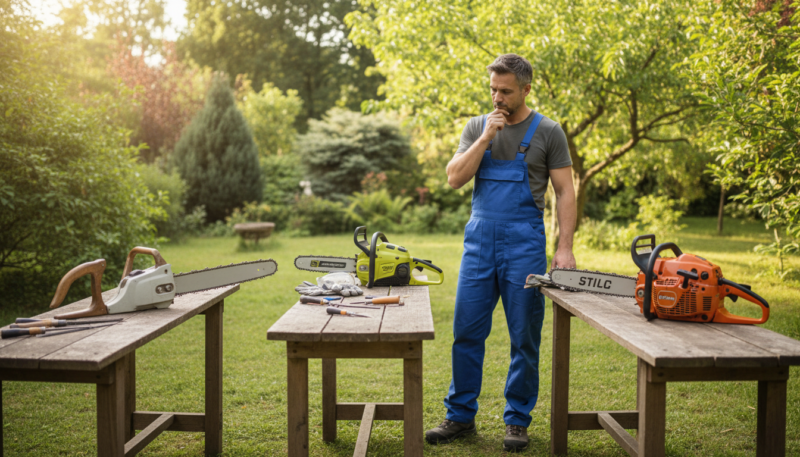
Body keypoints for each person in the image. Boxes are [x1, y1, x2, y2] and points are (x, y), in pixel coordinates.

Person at [425, 53, 577, 452]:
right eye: (493, 89)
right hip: (479, 244)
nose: (498, 98)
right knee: (466, 331)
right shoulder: (477, 126)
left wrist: (564, 248)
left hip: (525, 243)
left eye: (506, 91)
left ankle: (517, 420)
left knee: (524, 336)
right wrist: (485, 138)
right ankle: (459, 415)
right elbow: (455, 178)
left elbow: (565, 191)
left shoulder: (548, 132)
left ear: (526, 89)